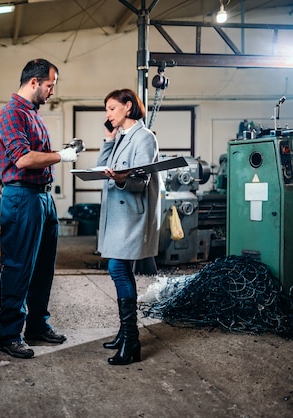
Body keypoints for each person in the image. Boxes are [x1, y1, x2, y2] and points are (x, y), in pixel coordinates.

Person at [0, 58, 81, 359]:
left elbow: (41, 155)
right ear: (34, 82)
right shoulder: (10, 114)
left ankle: (36, 326)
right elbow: (22, 159)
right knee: (19, 266)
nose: (51, 92)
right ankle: (8, 334)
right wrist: (62, 155)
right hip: (22, 198)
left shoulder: (32, 114)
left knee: (43, 267)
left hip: (42, 198)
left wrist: (62, 151)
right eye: (49, 85)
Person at [97, 88, 161, 365]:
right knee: (120, 269)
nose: (108, 114)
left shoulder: (145, 138)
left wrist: (122, 178)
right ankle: (125, 334)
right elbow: (100, 169)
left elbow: (141, 181)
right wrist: (109, 140)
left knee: (118, 269)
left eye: (112, 108)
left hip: (132, 216)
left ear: (127, 106)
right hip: (117, 216)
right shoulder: (122, 137)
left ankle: (132, 340)